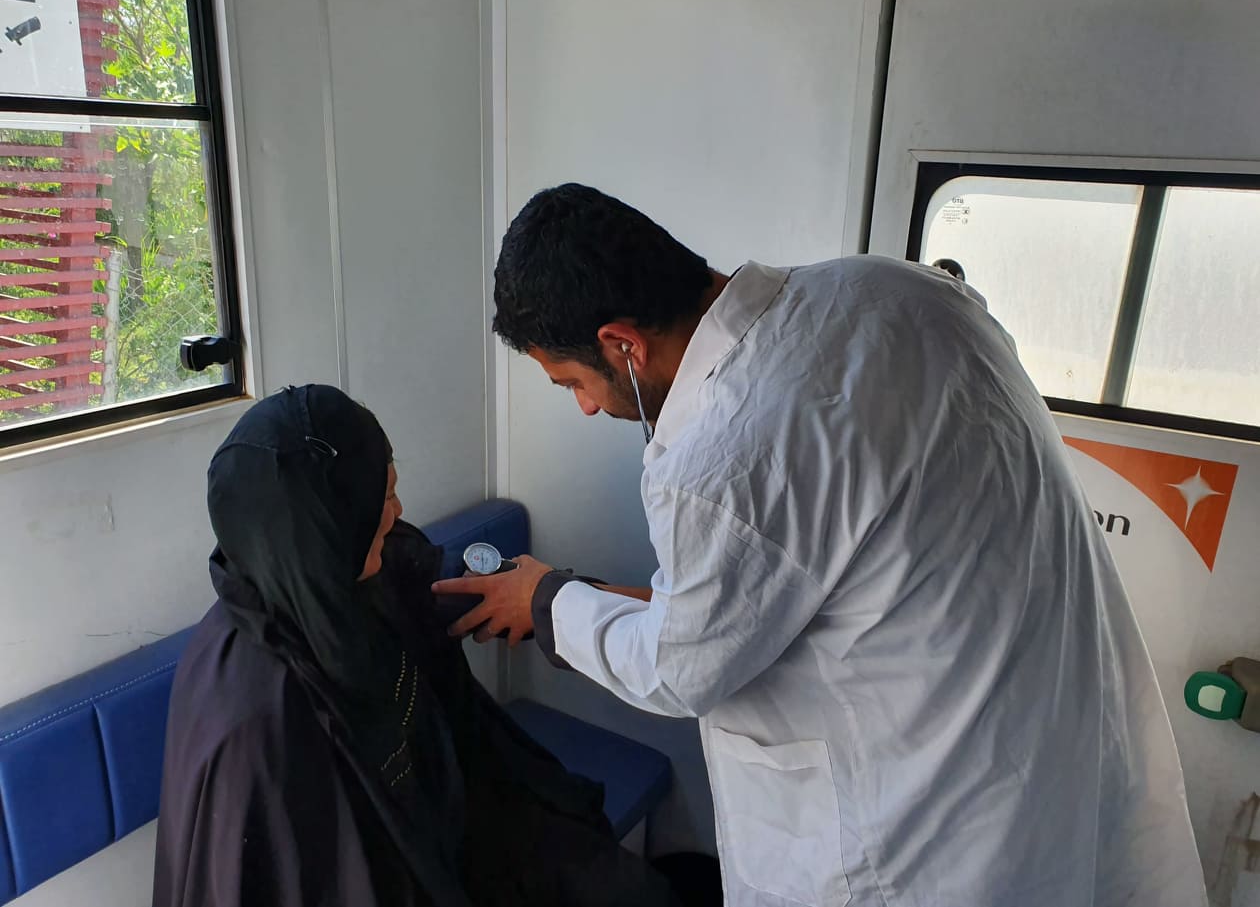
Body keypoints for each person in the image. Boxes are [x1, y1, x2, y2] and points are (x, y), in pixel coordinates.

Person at [434, 184, 1209, 907]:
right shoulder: (894, 293)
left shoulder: (724, 455)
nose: (583, 407)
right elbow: (813, 576)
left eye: (572, 380)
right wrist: (595, 597)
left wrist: (547, 598)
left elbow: (679, 670)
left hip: (927, 839)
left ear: (622, 346)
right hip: (1045, 752)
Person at [153, 384, 682, 907]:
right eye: (383, 498)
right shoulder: (254, 716)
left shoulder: (365, 571)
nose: (399, 508)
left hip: (453, 822)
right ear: (333, 522)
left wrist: (655, 614)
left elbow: (501, 592)